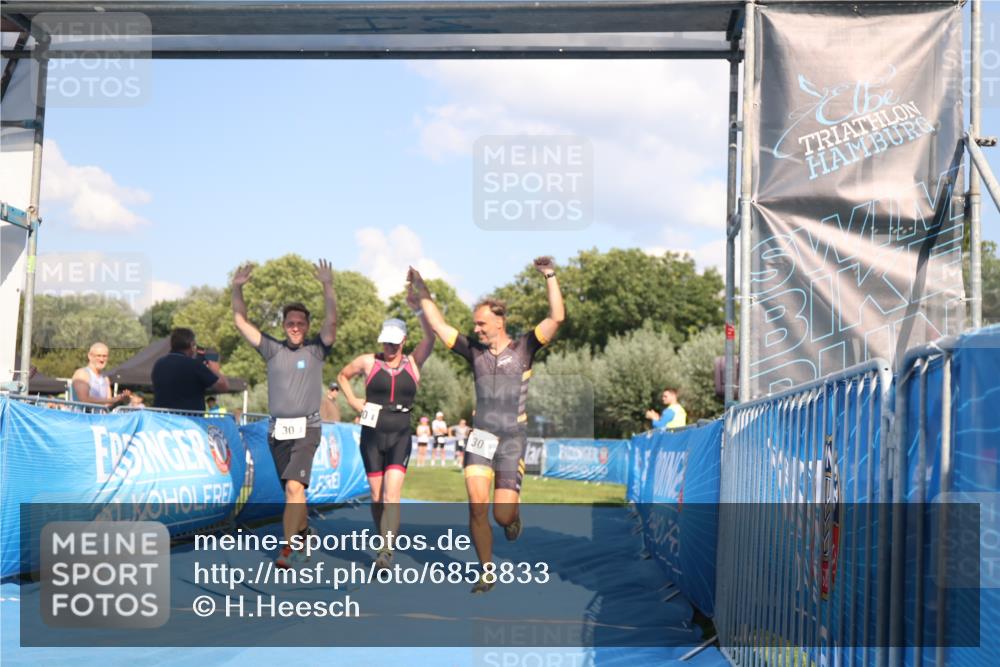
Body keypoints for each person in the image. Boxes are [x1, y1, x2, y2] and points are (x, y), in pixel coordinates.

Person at [409, 256, 565, 593]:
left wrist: (549, 275)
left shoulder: (525, 346)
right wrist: (422, 290)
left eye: (482, 324)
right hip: (480, 437)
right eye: (475, 324)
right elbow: (438, 325)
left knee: (501, 516)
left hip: (511, 438)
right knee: (476, 505)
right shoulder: (473, 350)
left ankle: (514, 515)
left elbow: (557, 317)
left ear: (500, 320)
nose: (476, 329)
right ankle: (486, 571)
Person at [231, 259, 337, 569]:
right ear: (284, 325)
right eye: (290, 323)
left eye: (300, 323)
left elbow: (331, 323)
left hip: (307, 428)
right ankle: (304, 533)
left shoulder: (316, 350)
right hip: (277, 431)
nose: (295, 328)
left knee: (293, 487)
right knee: (293, 493)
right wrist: (237, 288)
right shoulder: (271, 349)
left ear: (306, 326)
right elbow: (240, 322)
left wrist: (327, 286)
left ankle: (286, 550)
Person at [337, 288, 433, 569]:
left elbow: (430, 336)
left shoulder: (413, 362)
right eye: (386, 343)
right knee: (377, 497)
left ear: (403, 340)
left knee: (392, 495)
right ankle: (383, 540)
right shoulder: (369, 362)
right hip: (371, 435)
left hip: (400, 433)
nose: (389, 348)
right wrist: (355, 401)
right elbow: (343, 376)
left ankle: (386, 551)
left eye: (394, 343)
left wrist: (418, 309)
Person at [152, 328, 229, 412]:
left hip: (161, 419)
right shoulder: (194, 365)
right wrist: (215, 370)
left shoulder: (159, 364)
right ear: (192, 344)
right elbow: (223, 386)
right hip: (189, 420)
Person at [71, 342, 131, 407]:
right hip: (81, 416)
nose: (101, 359)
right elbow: (84, 399)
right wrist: (112, 400)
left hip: (100, 416)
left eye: (104, 356)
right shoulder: (82, 373)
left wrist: (122, 399)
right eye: (98, 355)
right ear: (90, 356)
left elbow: (108, 404)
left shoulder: (105, 378)